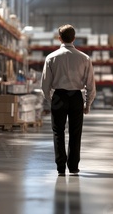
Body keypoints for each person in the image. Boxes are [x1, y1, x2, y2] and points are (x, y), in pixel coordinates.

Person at [41, 24, 96, 176]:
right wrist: (87, 103)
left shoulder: (51, 58)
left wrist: (51, 100)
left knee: (58, 132)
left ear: (59, 38)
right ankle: (73, 166)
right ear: (74, 38)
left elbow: (45, 85)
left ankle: (60, 168)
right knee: (75, 132)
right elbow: (91, 84)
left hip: (59, 96)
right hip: (76, 97)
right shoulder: (84, 58)